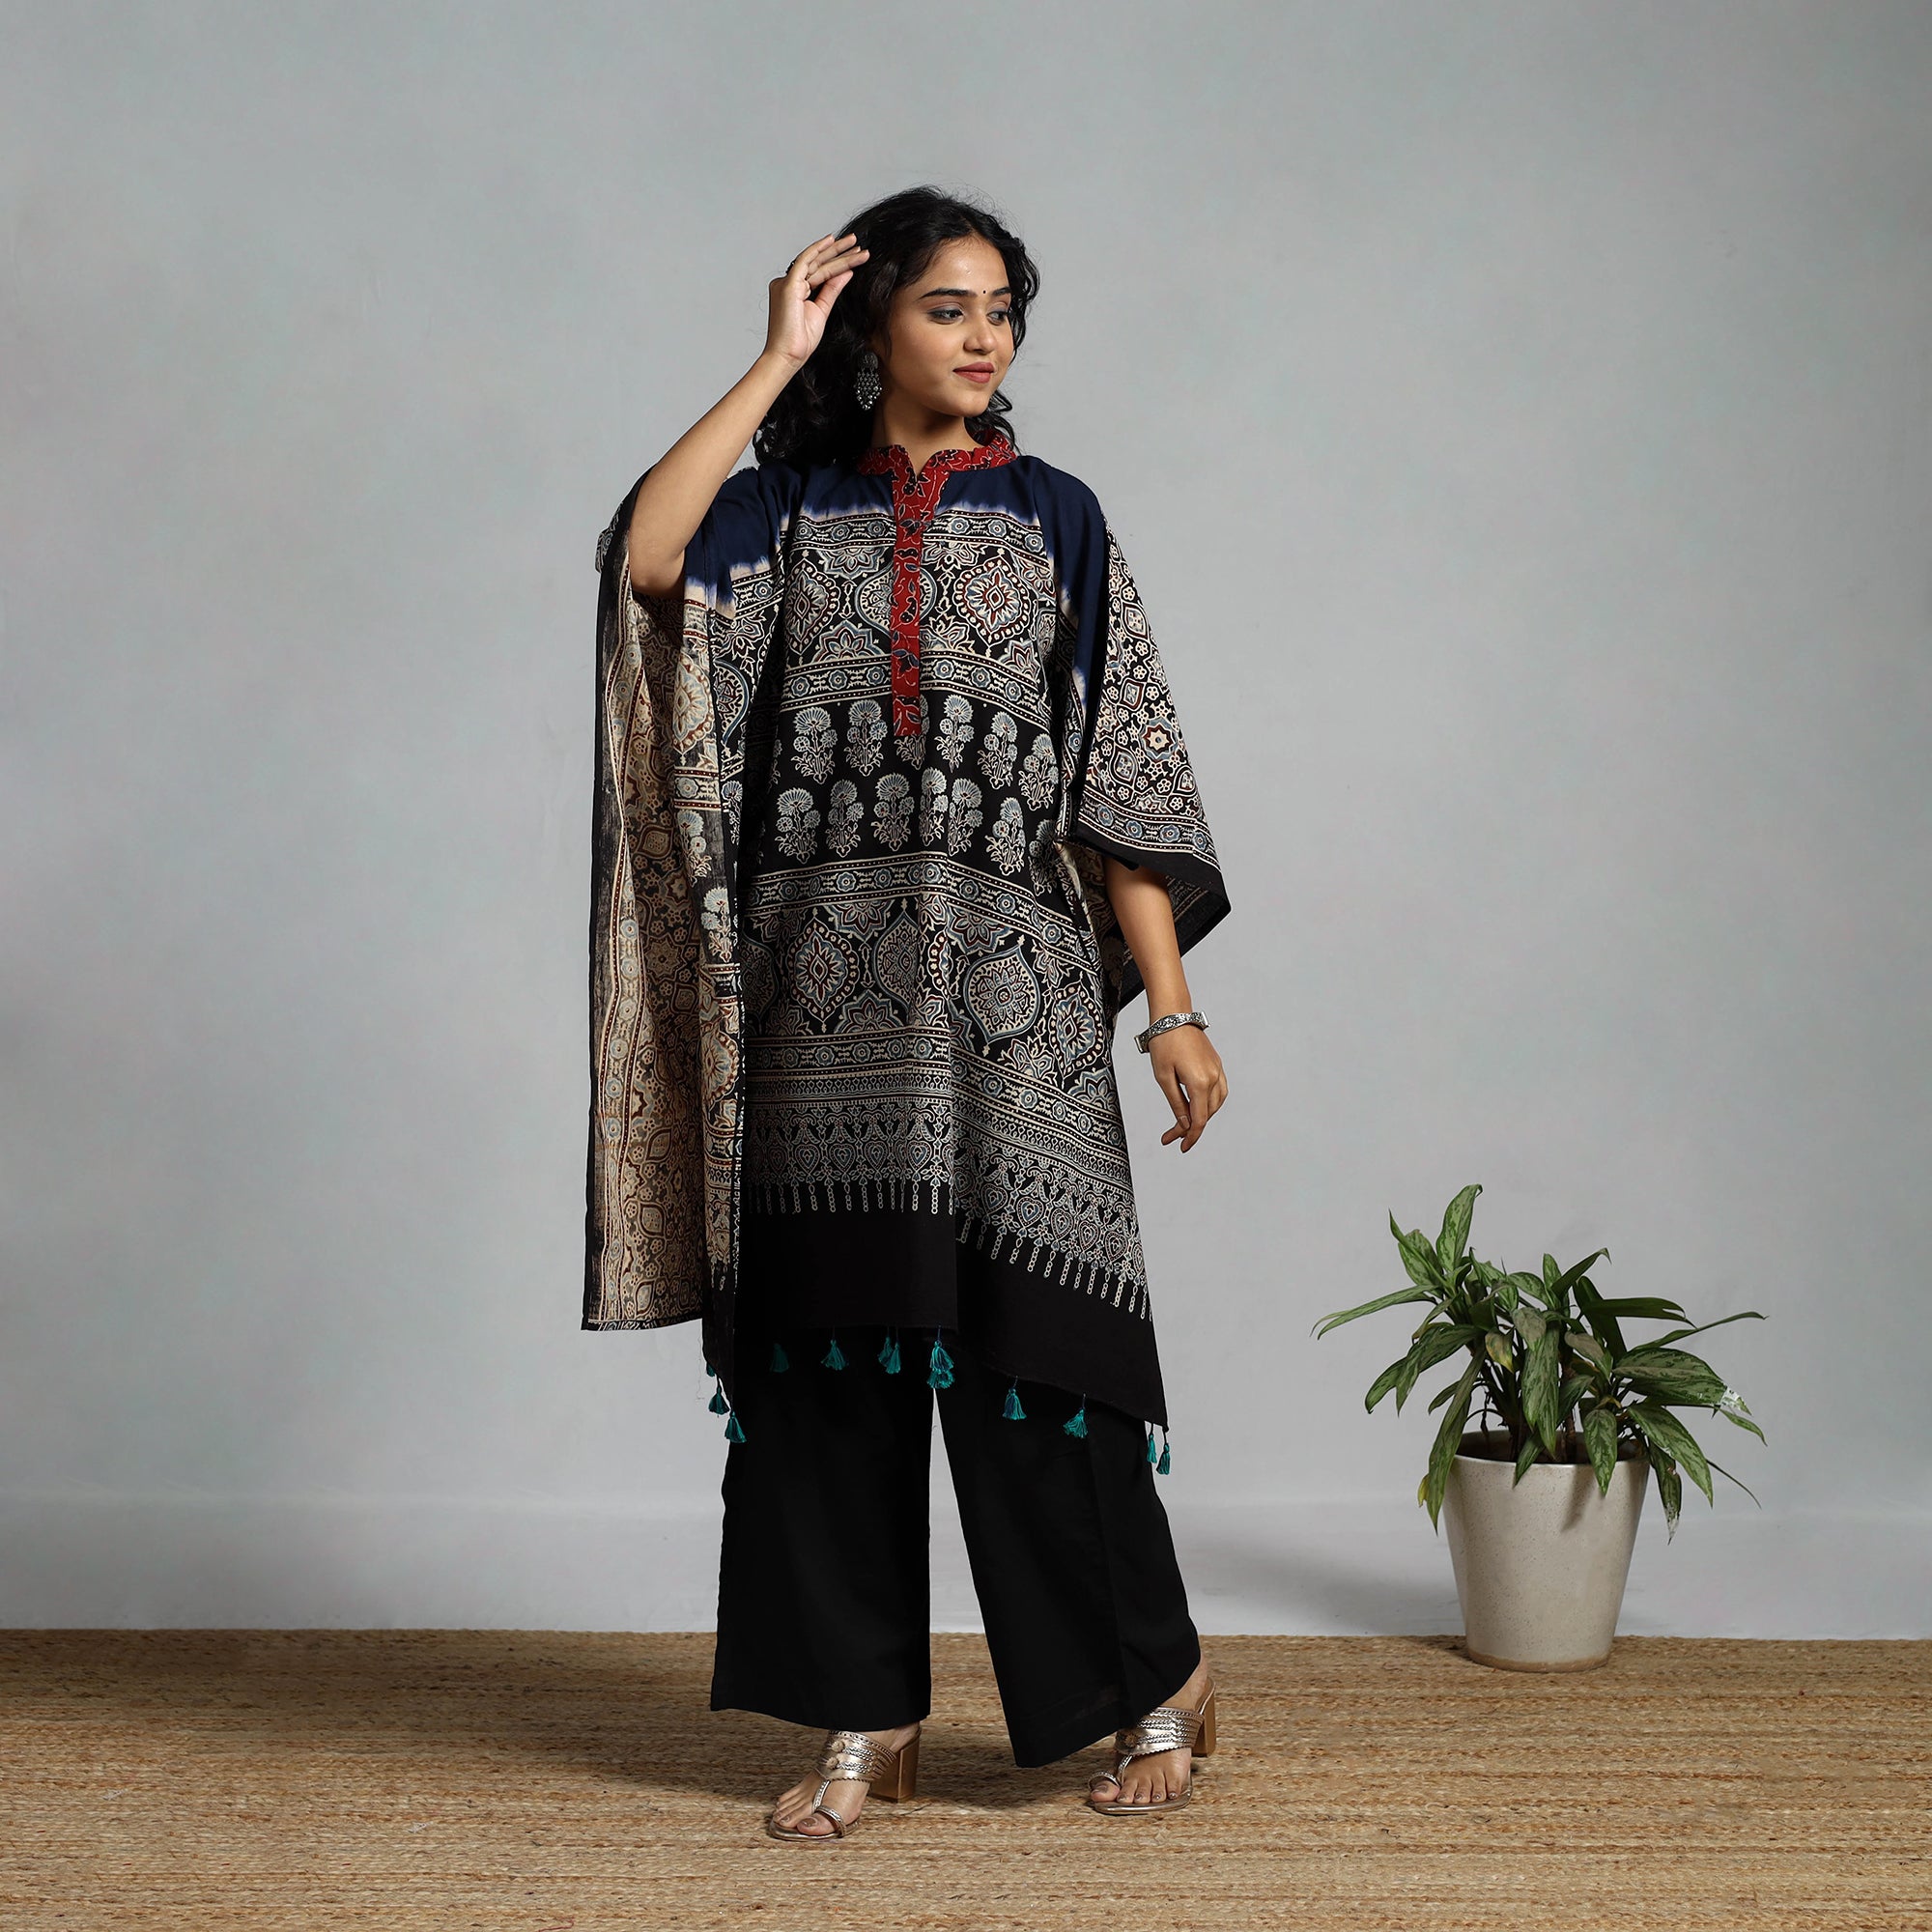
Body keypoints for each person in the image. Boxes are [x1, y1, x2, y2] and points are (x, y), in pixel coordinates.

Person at [585, 185, 1232, 1837]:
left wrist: (1169, 1007)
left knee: (1045, 1370)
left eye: (1003, 309)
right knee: (826, 1381)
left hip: (1013, 1021)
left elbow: (1120, 777)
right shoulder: (783, 511)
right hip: (815, 1015)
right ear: (872, 324)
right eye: (949, 306)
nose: (986, 336)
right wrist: (771, 357)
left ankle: (1154, 1682)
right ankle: (864, 1715)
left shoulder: (1058, 515)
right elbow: (648, 561)